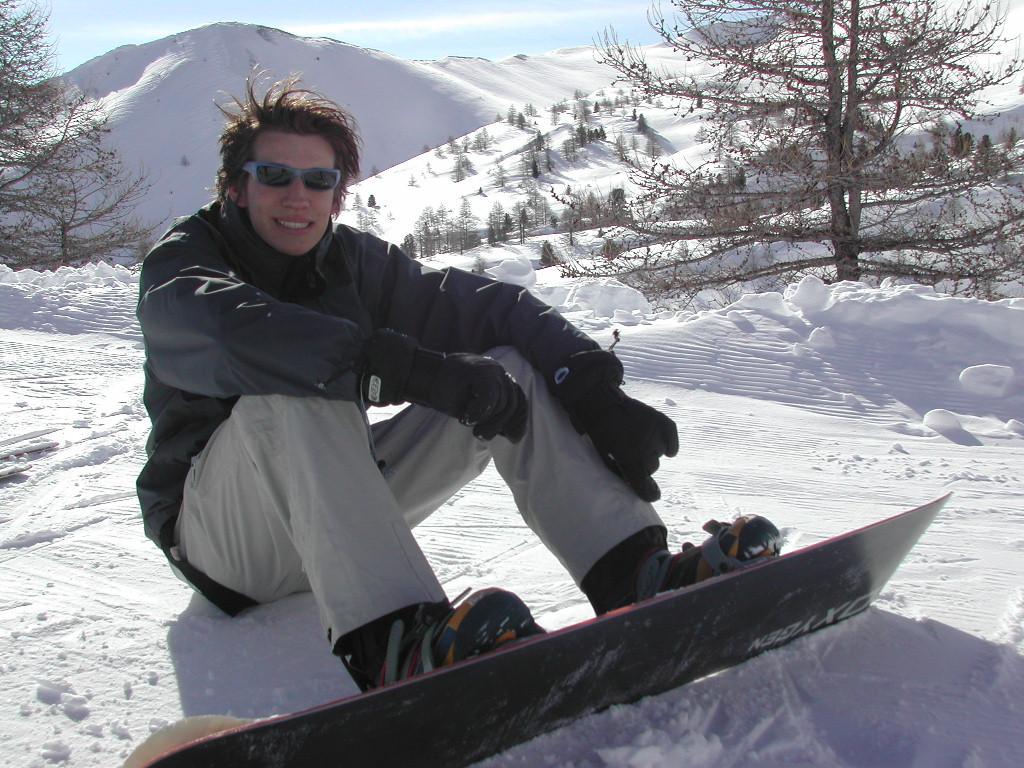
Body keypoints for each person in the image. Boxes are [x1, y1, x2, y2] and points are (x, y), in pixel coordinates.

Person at [136, 76, 776, 691]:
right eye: (274, 175)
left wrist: (591, 388)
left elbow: (494, 309)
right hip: (226, 544)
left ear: (338, 194)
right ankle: (397, 642)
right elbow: (224, 335)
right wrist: (408, 369)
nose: (296, 195)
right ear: (236, 188)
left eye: (318, 179)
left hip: (330, 514)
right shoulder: (187, 261)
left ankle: (631, 571)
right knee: (293, 385)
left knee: (510, 367)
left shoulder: (352, 262)